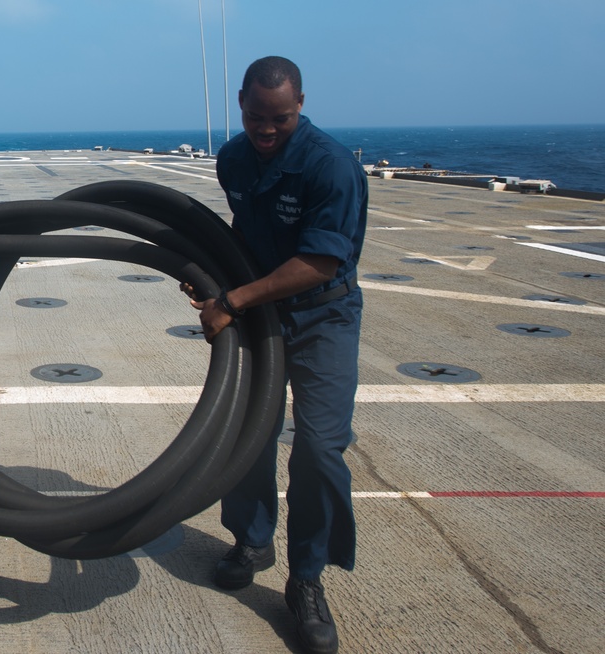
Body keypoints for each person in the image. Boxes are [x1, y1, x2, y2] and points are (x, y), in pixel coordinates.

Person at [184, 56, 366, 654]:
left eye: (280, 118)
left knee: (319, 446)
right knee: (248, 432)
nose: (265, 129)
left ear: (302, 104)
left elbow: (319, 261)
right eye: (256, 116)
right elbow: (245, 232)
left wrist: (232, 300)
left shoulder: (331, 167)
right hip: (260, 310)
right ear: (240, 102)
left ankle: (307, 580)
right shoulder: (234, 157)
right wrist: (208, 277)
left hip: (322, 314)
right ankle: (252, 539)